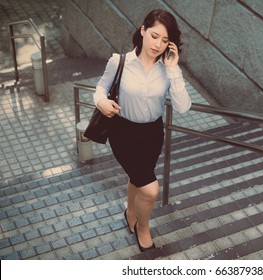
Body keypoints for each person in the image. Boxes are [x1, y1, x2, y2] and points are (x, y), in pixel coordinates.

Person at [93, 9, 191, 252]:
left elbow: (183, 107)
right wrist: (101, 102)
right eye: (154, 35)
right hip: (123, 132)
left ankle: (130, 212)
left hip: (152, 134)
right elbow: (99, 89)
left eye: (165, 40)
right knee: (149, 188)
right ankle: (143, 228)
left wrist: (174, 69)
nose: (158, 44)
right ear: (143, 30)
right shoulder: (120, 62)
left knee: (137, 178)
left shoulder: (167, 70)